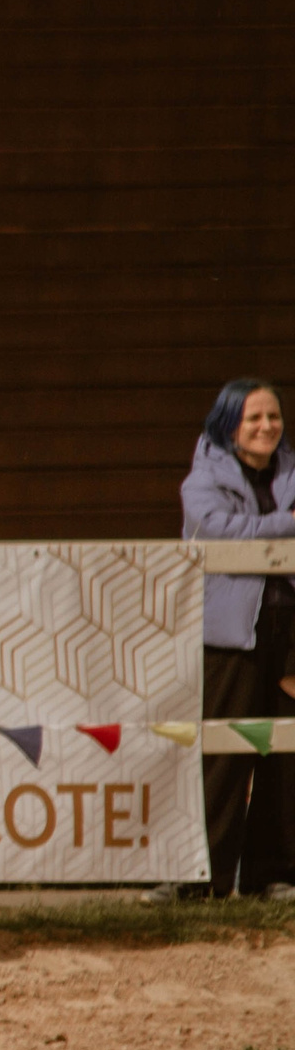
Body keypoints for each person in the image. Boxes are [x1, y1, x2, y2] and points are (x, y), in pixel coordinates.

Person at [183, 377, 295, 899]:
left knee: (284, 758)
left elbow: (240, 528)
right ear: (230, 424)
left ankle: (270, 875)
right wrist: (284, 525)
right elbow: (213, 528)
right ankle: (205, 878)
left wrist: (263, 526)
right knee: (223, 757)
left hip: (288, 633)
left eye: (273, 416)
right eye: (254, 418)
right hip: (230, 638)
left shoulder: (292, 472)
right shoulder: (202, 477)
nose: (267, 426)